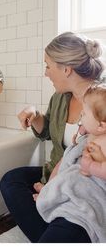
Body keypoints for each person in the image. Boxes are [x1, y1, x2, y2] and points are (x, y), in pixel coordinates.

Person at [0, 31, 104, 242]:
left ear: (66, 69)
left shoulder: (102, 100)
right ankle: (56, 228)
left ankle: (62, 226)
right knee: (11, 180)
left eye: (48, 66)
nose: (45, 73)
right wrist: (35, 114)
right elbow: (47, 132)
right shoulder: (59, 98)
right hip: (59, 169)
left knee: (76, 216)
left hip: (89, 182)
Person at [35, 84, 106, 242]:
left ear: (101, 126)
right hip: (75, 174)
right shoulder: (95, 132)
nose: (81, 115)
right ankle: (50, 190)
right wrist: (85, 130)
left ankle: (52, 193)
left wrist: (92, 167)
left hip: (90, 193)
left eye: (85, 114)